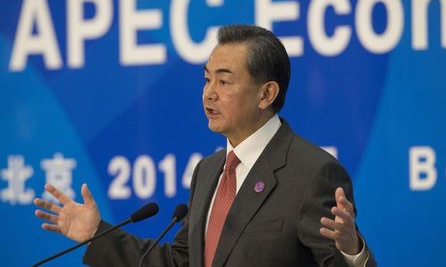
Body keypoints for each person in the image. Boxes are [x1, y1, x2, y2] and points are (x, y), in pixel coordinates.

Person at [34, 25, 376, 267]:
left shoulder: (313, 173)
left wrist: (351, 251)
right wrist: (96, 233)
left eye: (224, 81)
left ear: (266, 94)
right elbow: (180, 262)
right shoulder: (209, 171)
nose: (208, 93)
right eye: (207, 79)